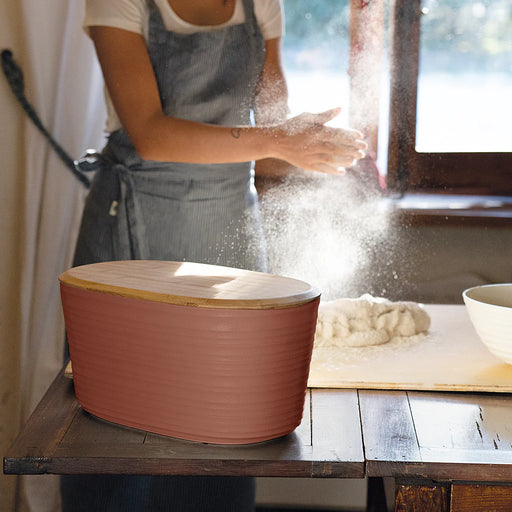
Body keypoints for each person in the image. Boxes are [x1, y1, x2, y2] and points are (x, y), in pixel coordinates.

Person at [62, 0, 367, 510]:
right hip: (137, 230)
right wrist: (279, 139)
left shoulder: (260, 5)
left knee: (228, 417)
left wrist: (319, 146)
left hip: (230, 227)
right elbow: (152, 135)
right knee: (123, 424)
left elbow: (269, 145)